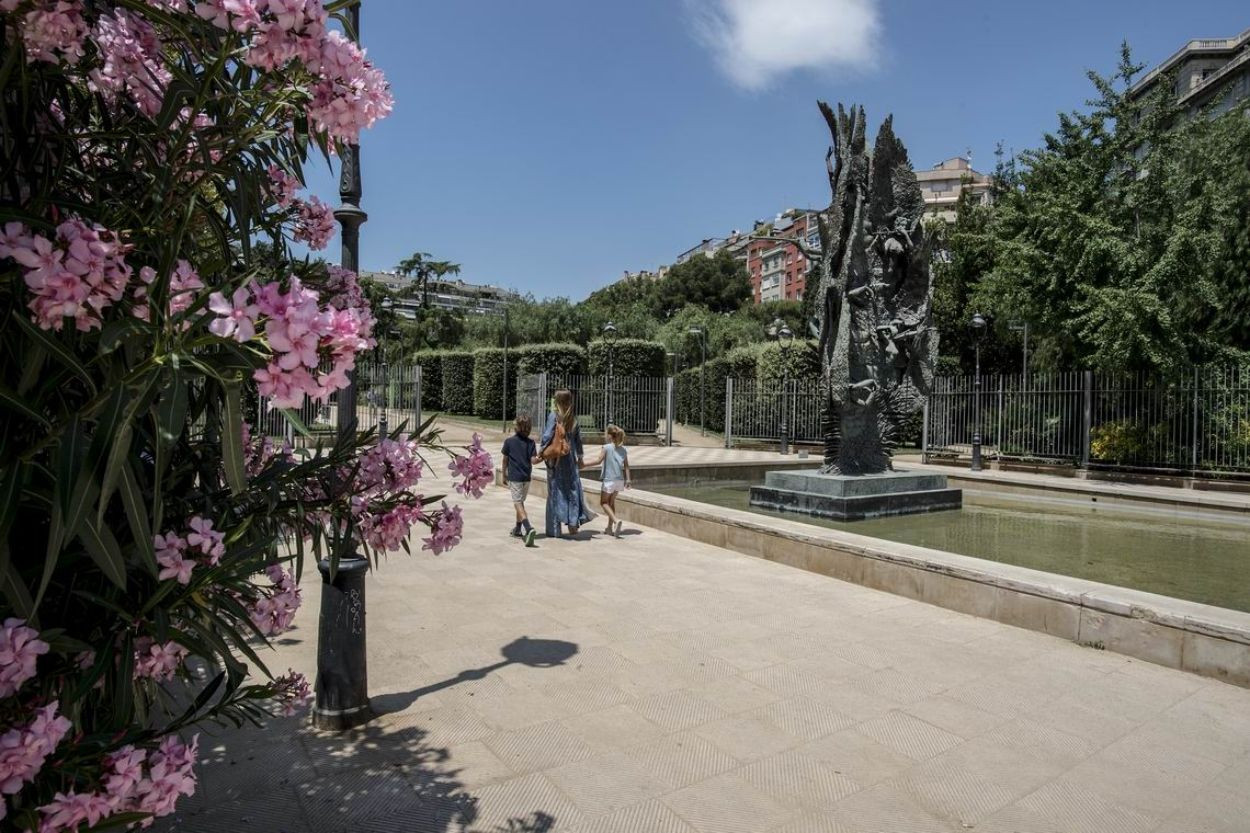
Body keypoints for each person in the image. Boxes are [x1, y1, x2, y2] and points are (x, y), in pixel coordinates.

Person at [540, 389, 593, 539]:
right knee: (572, 490)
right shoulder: (573, 419)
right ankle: (573, 523)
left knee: (555, 492)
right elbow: (578, 441)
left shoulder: (554, 416)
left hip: (556, 460)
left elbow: (547, 436)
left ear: (557, 401)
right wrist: (580, 458)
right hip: (570, 460)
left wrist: (541, 452)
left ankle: (554, 530)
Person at [583, 424, 631, 537]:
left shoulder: (606, 447)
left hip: (609, 480)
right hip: (619, 481)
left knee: (604, 503)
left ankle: (615, 521)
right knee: (611, 502)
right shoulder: (623, 450)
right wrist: (628, 480)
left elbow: (598, 461)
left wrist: (583, 464)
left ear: (609, 436)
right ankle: (609, 528)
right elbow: (627, 466)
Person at [501, 414, 539, 547]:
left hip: (515, 477)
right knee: (521, 502)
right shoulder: (531, 443)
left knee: (517, 503)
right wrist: (543, 456)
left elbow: (505, 459)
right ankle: (517, 529)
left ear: (517, 427)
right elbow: (534, 461)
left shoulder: (509, 442)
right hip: (526, 478)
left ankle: (528, 528)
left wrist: (504, 475)